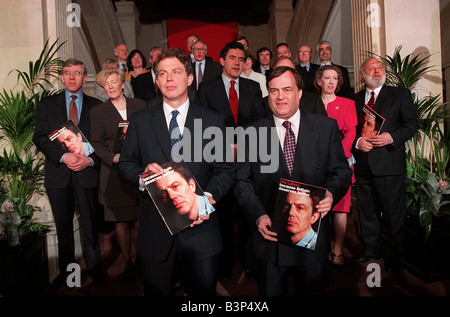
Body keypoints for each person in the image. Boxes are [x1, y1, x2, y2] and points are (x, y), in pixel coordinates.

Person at [117, 48, 235, 296]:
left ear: (189, 79)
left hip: (201, 231)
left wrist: (208, 198)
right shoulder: (139, 121)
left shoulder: (212, 120)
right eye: (162, 74)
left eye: (176, 72)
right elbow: (125, 164)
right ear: (157, 82)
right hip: (154, 234)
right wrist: (142, 177)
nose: (169, 78)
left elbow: (225, 169)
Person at [234, 66, 352, 296]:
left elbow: (341, 172)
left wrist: (330, 193)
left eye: (287, 89)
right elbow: (242, 182)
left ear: (299, 93)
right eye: (274, 90)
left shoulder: (325, 127)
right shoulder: (251, 133)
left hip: (312, 238)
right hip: (270, 238)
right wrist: (258, 215)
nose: (280, 96)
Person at [196, 40, 265, 279]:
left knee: (248, 210)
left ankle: (249, 261)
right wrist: (227, 146)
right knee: (222, 214)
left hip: (247, 158)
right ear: (222, 60)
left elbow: (259, 120)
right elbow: (202, 122)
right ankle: (224, 264)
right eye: (232, 58)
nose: (237, 63)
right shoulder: (206, 88)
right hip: (218, 160)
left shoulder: (253, 87)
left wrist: (241, 145)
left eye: (241, 59)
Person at [32, 58, 103, 286]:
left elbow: (102, 142)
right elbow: (40, 137)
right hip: (58, 175)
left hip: (87, 175)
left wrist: (89, 161)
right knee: (63, 228)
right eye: (67, 73)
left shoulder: (97, 106)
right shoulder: (47, 105)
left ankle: (95, 270)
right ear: (62, 77)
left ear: (84, 77)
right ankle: (67, 276)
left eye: (77, 73)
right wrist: (64, 156)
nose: (72, 77)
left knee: (91, 226)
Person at [352, 57, 419, 272]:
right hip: (362, 167)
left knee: (392, 215)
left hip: (389, 166)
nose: (377, 70)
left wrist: (391, 137)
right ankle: (371, 250)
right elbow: (348, 130)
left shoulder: (400, 95)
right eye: (371, 68)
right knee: (367, 213)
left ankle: (392, 258)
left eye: (380, 67)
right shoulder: (353, 100)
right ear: (362, 76)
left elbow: (412, 125)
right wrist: (358, 141)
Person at [90, 67, 147, 281]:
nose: (111, 86)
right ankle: (128, 262)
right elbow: (95, 143)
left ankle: (140, 257)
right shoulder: (97, 112)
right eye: (106, 84)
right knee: (121, 221)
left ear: (123, 83)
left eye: (114, 82)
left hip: (140, 169)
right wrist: (112, 157)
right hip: (113, 173)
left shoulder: (139, 105)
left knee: (140, 218)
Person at [314, 65, 357, 266]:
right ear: (319, 81)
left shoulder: (347, 103)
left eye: (335, 78)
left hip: (341, 162)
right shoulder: (312, 103)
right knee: (320, 207)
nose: (331, 82)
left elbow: (350, 133)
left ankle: (338, 248)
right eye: (327, 78)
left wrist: (338, 156)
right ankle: (321, 247)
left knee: (340, 208)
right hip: (316, 162)